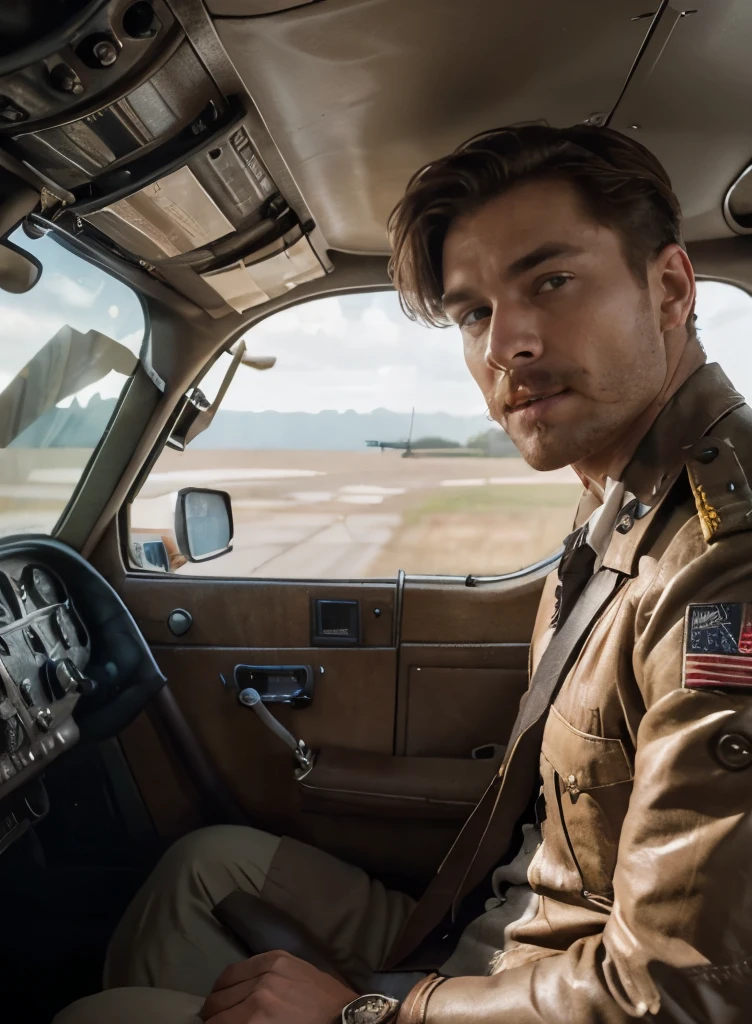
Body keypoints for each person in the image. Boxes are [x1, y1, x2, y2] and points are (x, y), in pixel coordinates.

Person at [56, 124, 752, 1024]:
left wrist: (376, 1014)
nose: (507, 345)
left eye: (551, 281)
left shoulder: (722, 566)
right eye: (473, 313)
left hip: (562, 982)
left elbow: (684, 994)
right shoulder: (624, 491)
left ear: (668, 289)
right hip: (510, 934)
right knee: (206, 868)